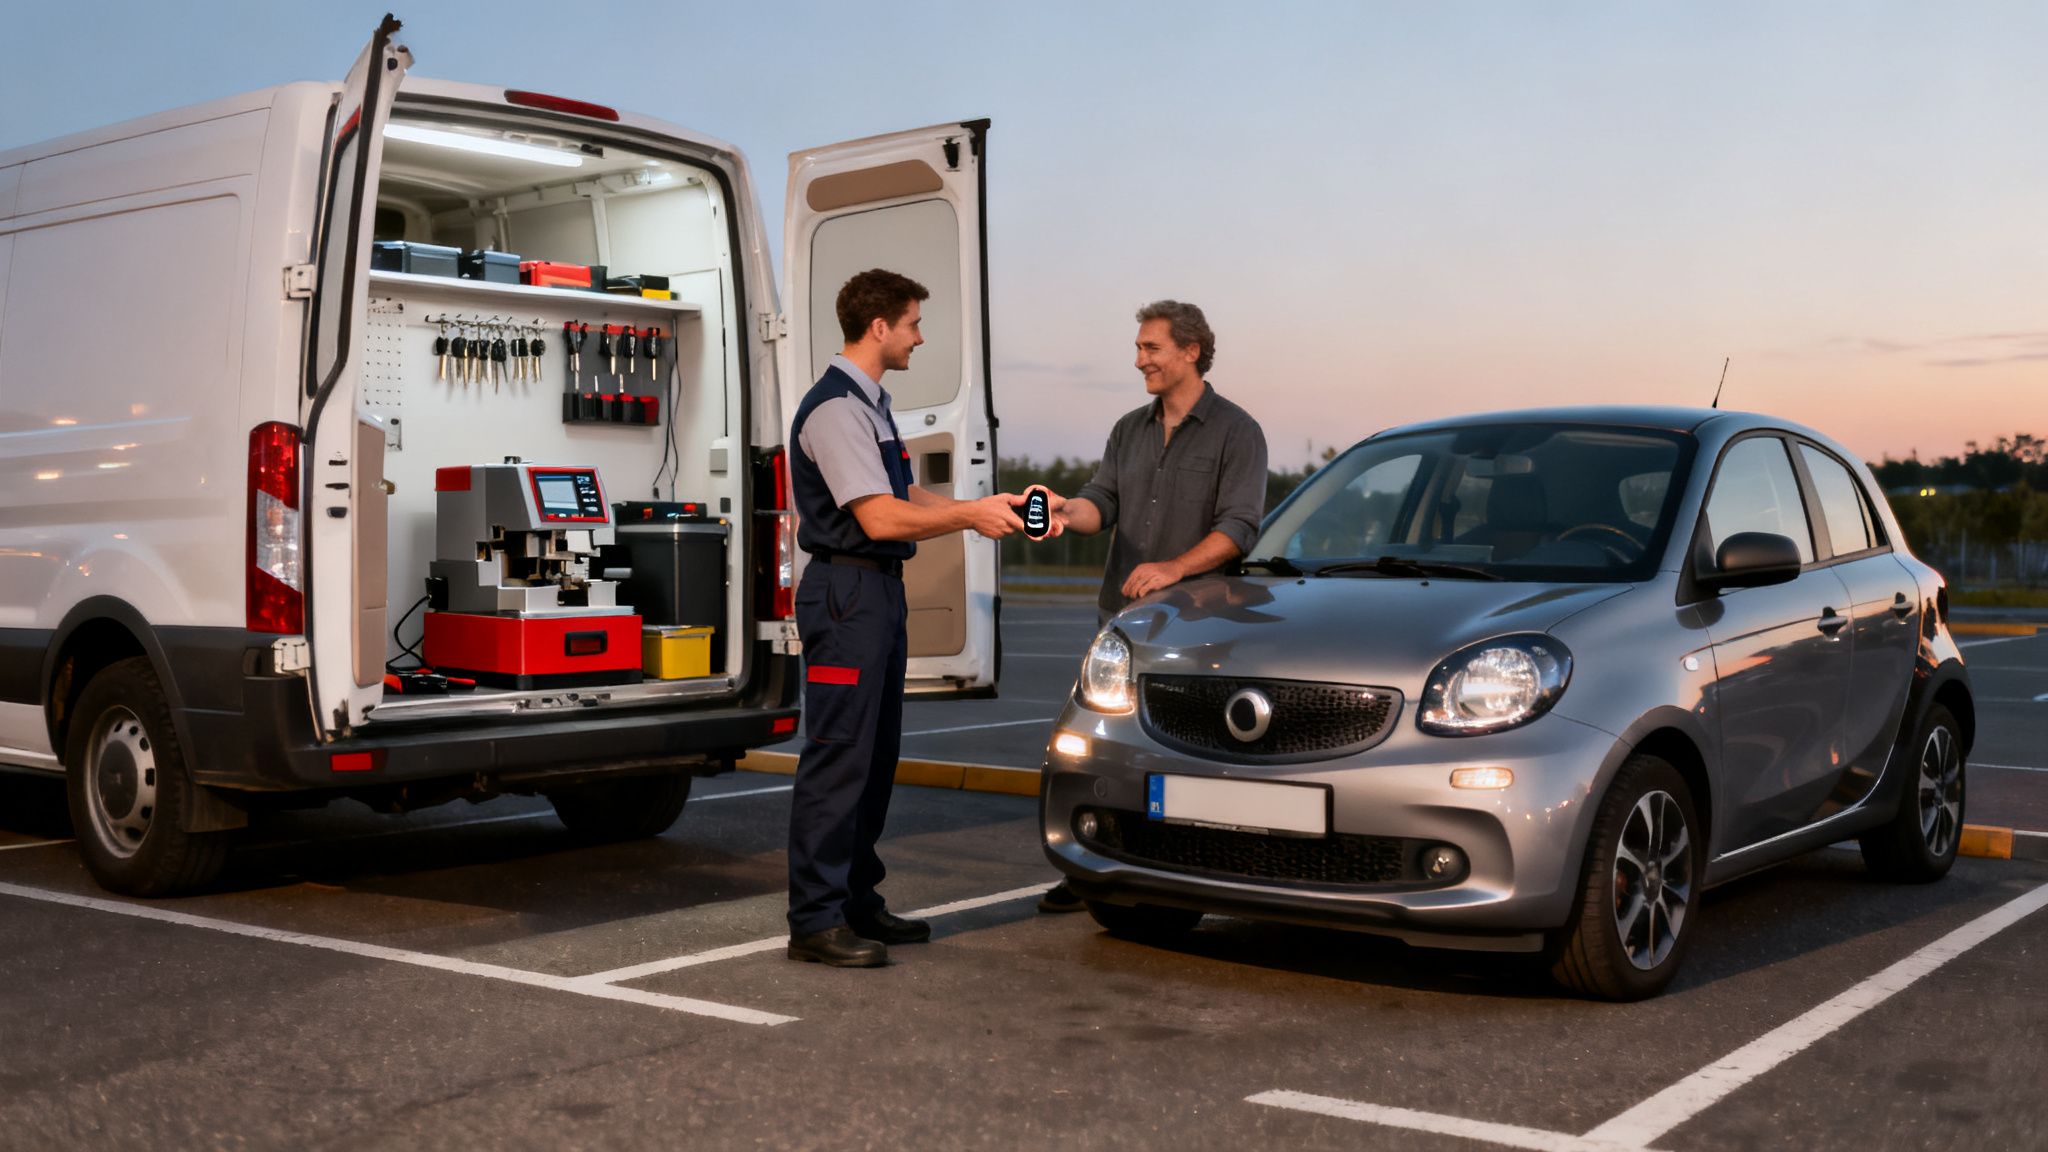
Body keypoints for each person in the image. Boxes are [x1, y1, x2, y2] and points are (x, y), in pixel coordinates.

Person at [785, 268, 1026, 967]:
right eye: (914, 323)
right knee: (838, 758)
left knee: (875, 757)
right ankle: (815, 920)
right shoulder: (834, 409)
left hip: (875, 593)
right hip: (846, 594)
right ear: (879, 326)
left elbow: (904, 492)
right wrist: (966, 518)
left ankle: (856, 901)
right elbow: (880, 515)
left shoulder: (871, 404)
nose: (920, 336)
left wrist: (983, 508)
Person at [1034, 300, 1269, 913]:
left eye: (1151, 348)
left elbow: (1240, 526)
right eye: (1138, 348)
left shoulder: (1238, 432)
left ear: (1191, 351)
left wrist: (1174, 568)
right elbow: (1099, 502)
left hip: (1204, 624)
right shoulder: (1127, 429)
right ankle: (1092, 866)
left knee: (1194, 757)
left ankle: (1200, 869)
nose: (1139, 360)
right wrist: (1065, 509)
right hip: (1123, 624)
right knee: (1109, 748)